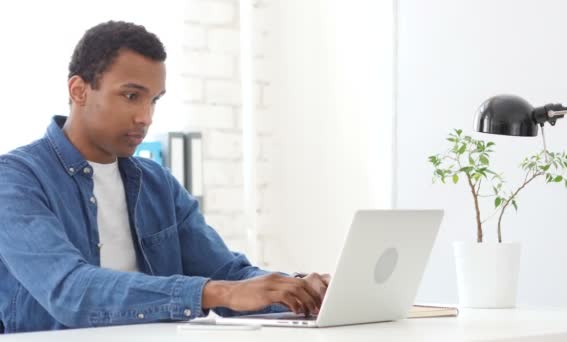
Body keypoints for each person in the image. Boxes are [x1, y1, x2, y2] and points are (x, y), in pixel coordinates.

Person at [0, 21, 329, 334]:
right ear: (79, 90)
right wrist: (220, 293)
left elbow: (228, 275)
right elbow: (69, 291)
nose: (146, 117)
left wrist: (298, 291)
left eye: (154, 100)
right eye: (131, 96)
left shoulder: (156, 183)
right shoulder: (16, 179)